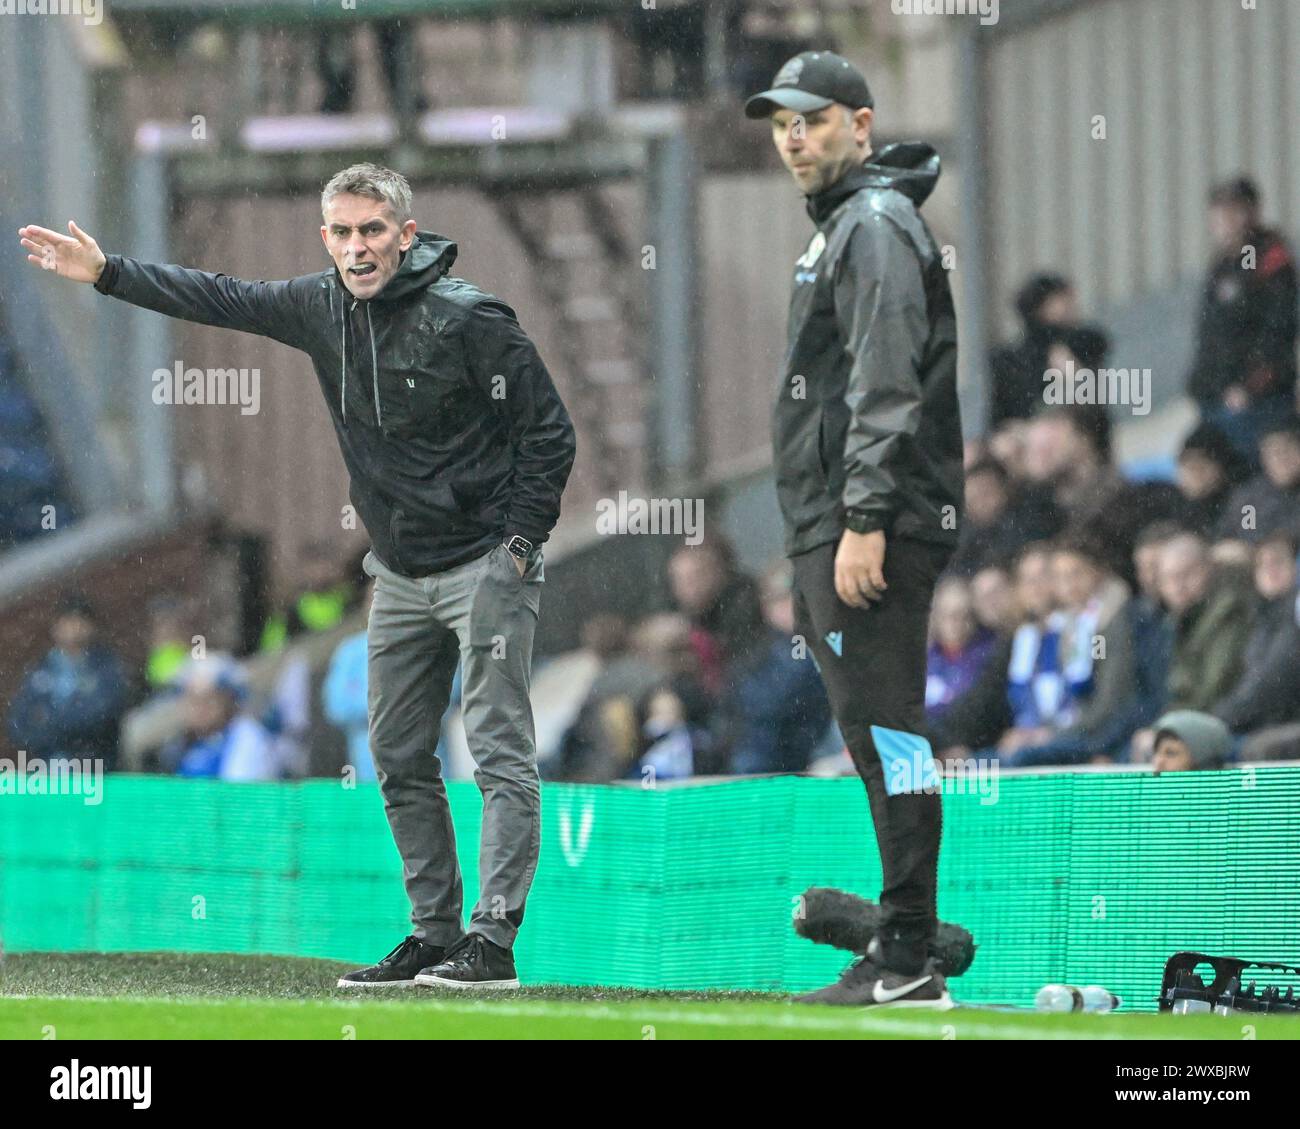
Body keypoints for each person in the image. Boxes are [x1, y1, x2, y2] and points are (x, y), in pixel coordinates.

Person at [19, 162, 577, 991]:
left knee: (498, 749)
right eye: (344, 232)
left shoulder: (471, 320)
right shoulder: (319, 306)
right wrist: (106, 273)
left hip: (482, 564)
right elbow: (219, 295)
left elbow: (550, 435)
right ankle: (433, 933)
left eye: (373, 230)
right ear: (327, 240)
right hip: (397, 573)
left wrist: (520, 549)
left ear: (407, 234)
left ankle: (492, 942)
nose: (359, 247)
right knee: (394, 752)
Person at [746, 50, 963, 1007]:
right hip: (837, 518)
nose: (795, 136)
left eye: (816, 119)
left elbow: (886, 383)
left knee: (890, 733)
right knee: (882, 737)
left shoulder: (871, 226)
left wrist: (865, 518)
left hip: (866, 520)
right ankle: (909, 938)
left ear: (862, 126)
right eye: (783, 122)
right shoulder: (844, 226)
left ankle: (907, 955)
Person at [1187, 177, 1298, 460]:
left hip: (1254, 402)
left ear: (1250, 213)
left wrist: (1249, 386)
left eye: (1232, 211)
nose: (1223, 221)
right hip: (1215, 394)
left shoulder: (1269, 257)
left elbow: (1279, 328)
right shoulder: (1222, 263)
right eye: (1219, 213)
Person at [7, 595, 129, 772]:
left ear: (91, 627)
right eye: (66, 620)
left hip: (94, 767)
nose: (73, 628)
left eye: (79, 620)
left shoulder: (104, 667)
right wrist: (55, 730)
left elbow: (101, 716)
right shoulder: (41, 670)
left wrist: (48, 720)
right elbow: (18, 722)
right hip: (46, 768)